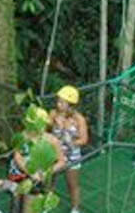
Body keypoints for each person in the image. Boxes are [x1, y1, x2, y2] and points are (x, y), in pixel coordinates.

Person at [7, 107, 66, 213]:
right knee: (15, 204)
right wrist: (30, 171)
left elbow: (61, 161)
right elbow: (17, 156)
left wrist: (46, 172)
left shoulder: (52, 140)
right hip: (19, 174)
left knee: (30, 207)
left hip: (38, 178)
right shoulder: (22, 136)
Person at [50, 85, 89, 213]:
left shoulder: (79, 119)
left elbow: (84, 139)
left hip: (72, 155)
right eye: (58, 101)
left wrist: (70, 141)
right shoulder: (54, 114)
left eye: (62, 102)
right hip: (55, 153)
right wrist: (53, 123)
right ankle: (46, 204)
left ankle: (75, 208)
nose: (58, 104)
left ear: (70, 105)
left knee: (72, 184)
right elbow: (46, 129)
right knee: (49, 180)